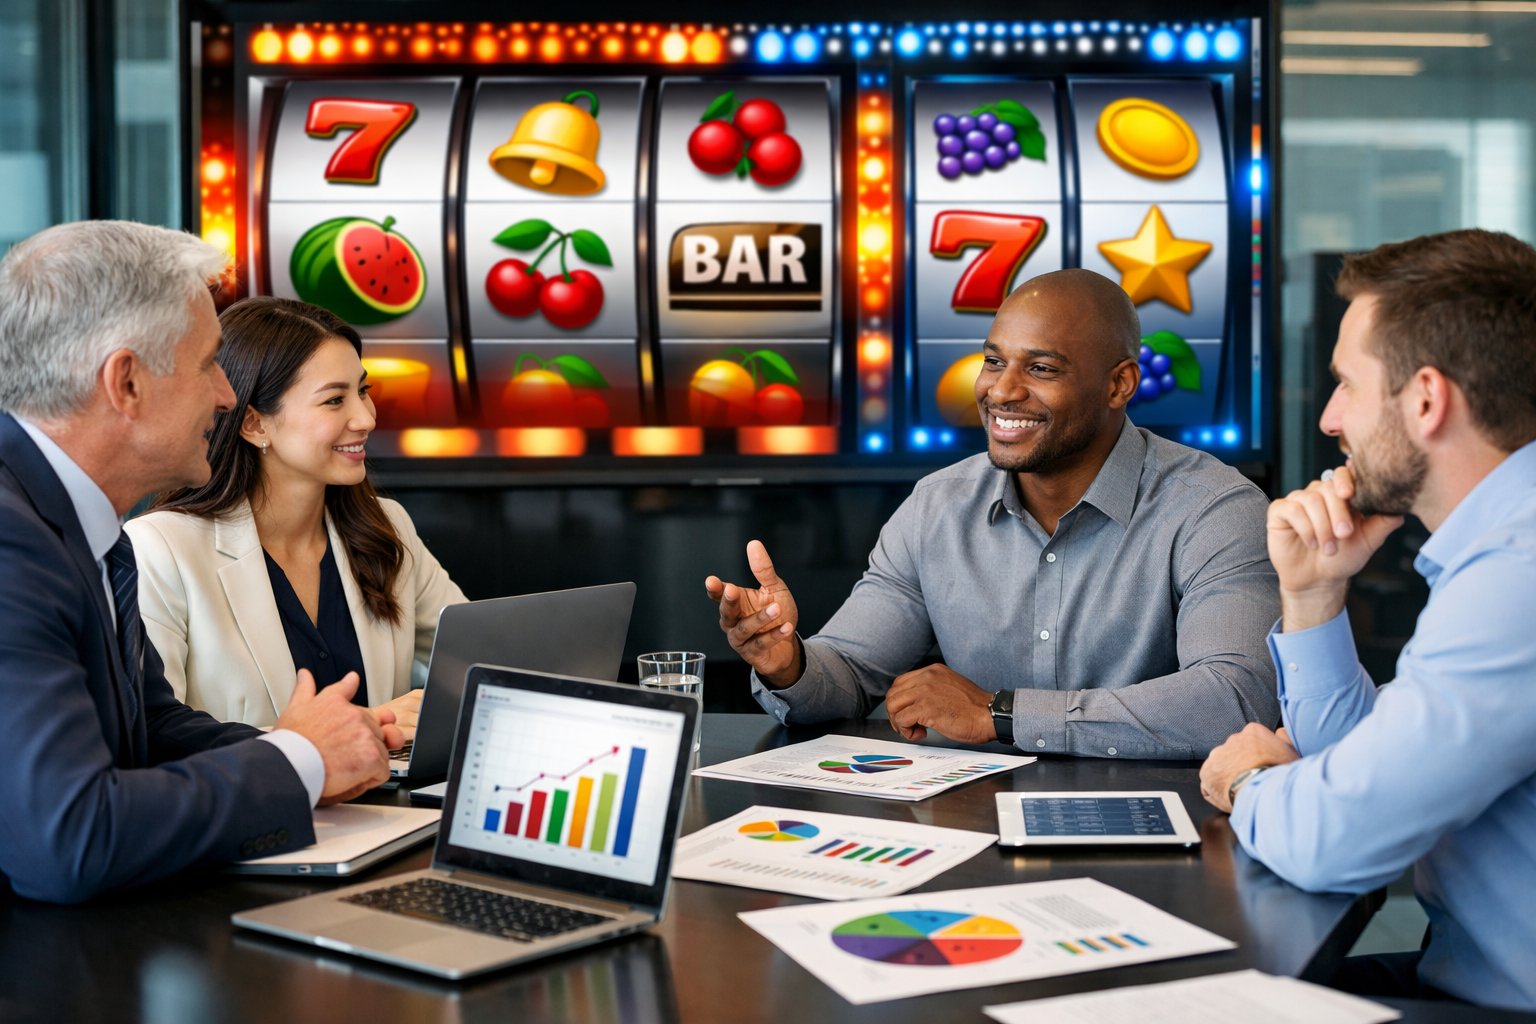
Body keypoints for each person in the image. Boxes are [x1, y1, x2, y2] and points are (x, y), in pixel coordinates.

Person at [707, 268, 1280, 758]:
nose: (1001, 391)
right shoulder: (936, 505)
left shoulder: (1215, 509)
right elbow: (850, 674)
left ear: (1119, 385)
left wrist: (1001, 713)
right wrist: (788, 663)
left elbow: (1234, 697)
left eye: (1042, 369)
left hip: (1157, 847)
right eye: (993, 361)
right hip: (965, 838)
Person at [0, 221, 400, 904]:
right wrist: (299, 760)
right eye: (209, 363)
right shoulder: (13, 546)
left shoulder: (80, 523)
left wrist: (331, 746)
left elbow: (152, 728)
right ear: (125, 382)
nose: (224, 393)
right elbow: (68, 840)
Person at [1199, 229, 1536, 1010]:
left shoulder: (1517, 575)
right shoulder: (1497, 547)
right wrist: (1314, 596)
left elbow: (1334, 840)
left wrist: (1248, 781)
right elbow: (1370, 769)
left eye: (1347, 384)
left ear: (1425, 399)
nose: (1326, 419)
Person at [126, 297, 466, 736]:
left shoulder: (387, 524)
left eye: (363, 391)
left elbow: (477, 654)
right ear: (254, 424)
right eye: (334, 400)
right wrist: (346, 731)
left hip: (391, 807)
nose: (365, 418)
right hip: (257, 803)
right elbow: (153, 734)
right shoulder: (161, 549)